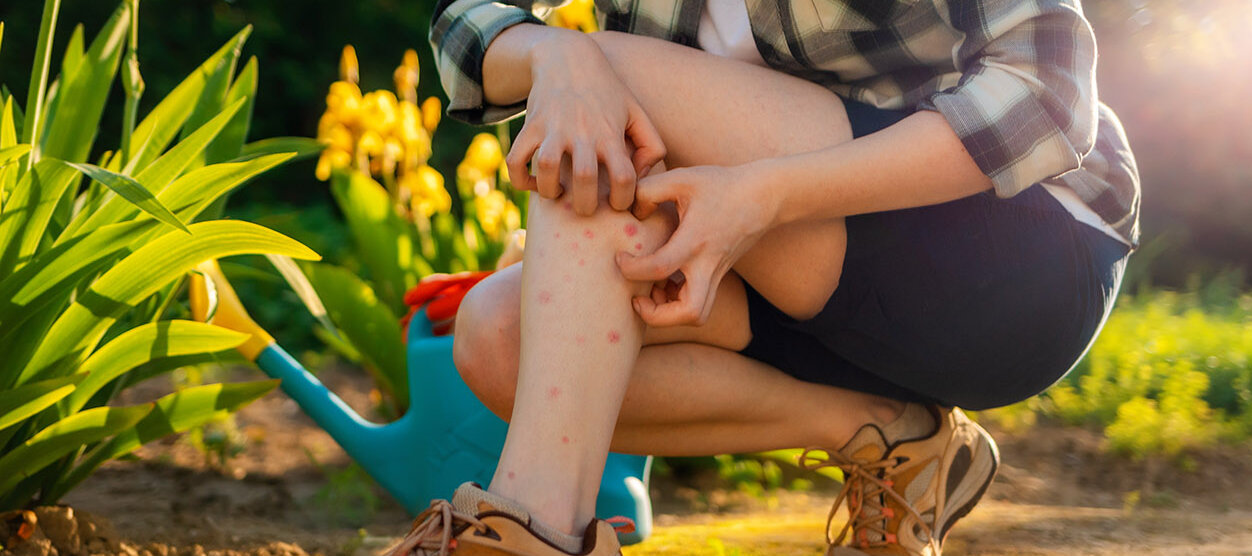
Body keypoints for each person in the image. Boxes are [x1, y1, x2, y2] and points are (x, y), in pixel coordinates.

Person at [384, 0, 1139, 555]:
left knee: (614, 69)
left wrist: (768, 195)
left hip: (1015, 256)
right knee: (498, 337)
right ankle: (890, 436)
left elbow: (1047, 95)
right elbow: (465, 22)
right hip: (789, 263)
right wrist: (557, 59)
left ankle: (533, 529)